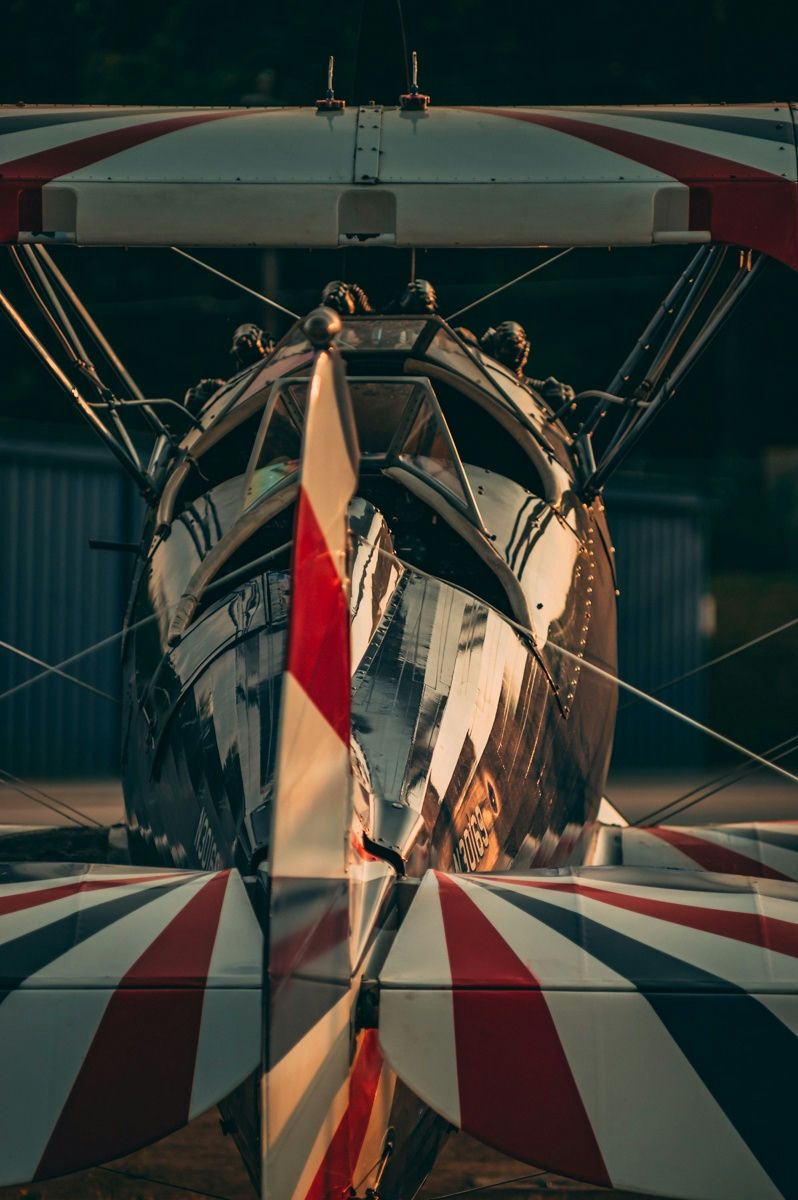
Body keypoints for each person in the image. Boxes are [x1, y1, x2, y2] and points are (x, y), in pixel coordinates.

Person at [480, 320, 574, 408]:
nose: (504, 351)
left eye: (512, 346)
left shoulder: (528, 383)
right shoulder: (477, 353)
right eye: (506, 344)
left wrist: (557, 394)